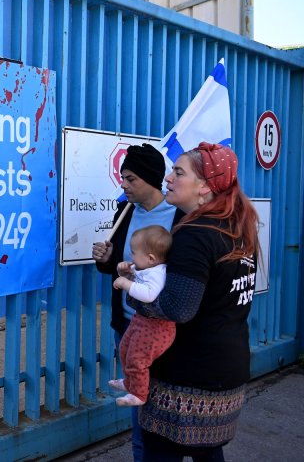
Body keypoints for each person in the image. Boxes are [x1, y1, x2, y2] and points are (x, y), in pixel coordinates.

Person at [129, 142, 259, 462]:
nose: (168, 179)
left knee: (161, 454)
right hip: (225, 371)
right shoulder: (236, 227)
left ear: (204, 187)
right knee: (208, 453)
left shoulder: (195, 233)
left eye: (178, 172)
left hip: (187, 377)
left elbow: (178, 308)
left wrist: (136, 292)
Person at [92, 143, 184, 462]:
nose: (124, 185)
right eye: (122, 177)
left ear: (149, 178)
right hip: (129, 326)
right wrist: (104, 260)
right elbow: (118, 265)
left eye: (130, 178)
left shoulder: (179, 216)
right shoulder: (125, 212)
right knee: (138, 415)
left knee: (162, 417)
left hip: (163, 332)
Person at [108, 225, 175, 407]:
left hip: (155, 328)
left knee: (138, 359)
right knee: (124, 348)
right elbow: (138, 279)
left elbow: (149, 295)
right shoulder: (148, 268)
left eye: (134, 253)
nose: (131, 256)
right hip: (141, 321)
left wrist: (125, 283)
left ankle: (138, 394)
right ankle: (129, 382)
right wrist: (127, 274)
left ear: (151, 258)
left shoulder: (158, 273)